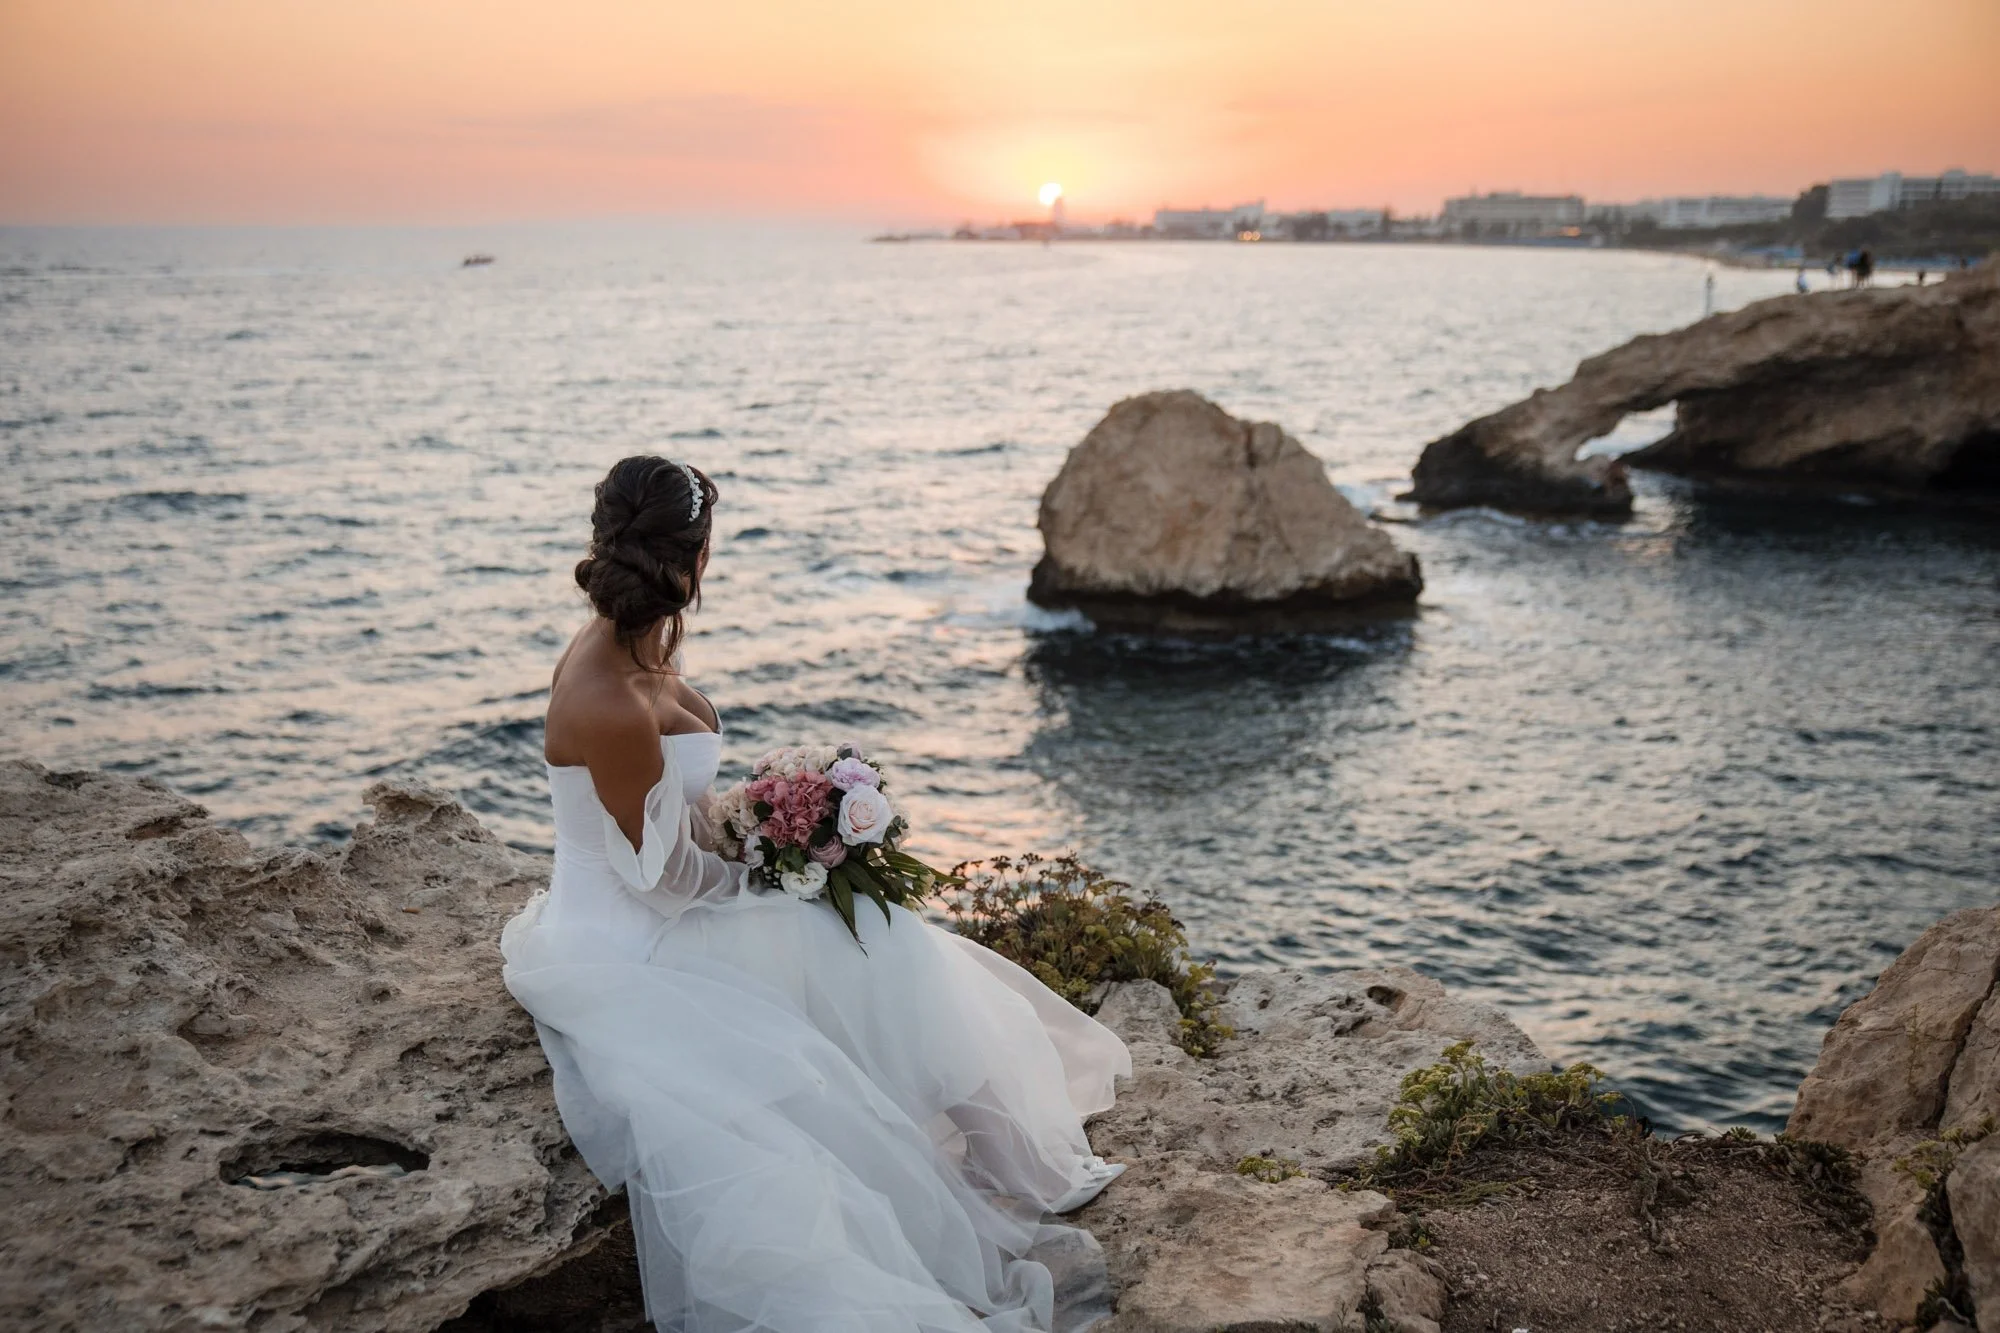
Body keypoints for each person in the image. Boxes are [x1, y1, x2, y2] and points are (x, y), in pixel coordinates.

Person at [500, 456, 1132, 1332]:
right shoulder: (607, 698)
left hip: (670, 896)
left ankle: (1007, 1163)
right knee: (858, 931)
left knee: (867, 925)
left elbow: (676, 827)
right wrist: (774, 859)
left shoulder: (643, 641)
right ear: (694, 554)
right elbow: (664, 877)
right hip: (629, 939)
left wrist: (772, 835)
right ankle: (996, 1168)